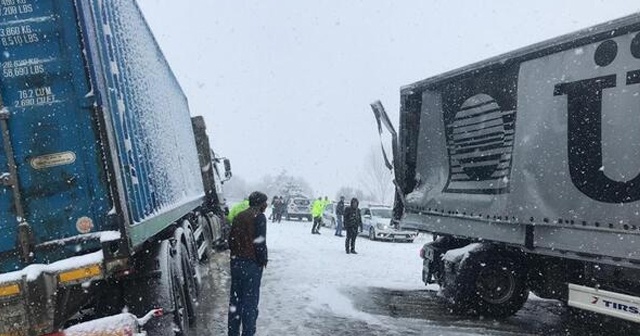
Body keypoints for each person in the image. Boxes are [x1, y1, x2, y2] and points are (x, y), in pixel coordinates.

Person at [228, 191, 269, 336]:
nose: (267, 205)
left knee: (236, 301)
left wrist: (236, 257)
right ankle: (248, 332)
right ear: (260, 204)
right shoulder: (259, 217)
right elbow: (260, 243)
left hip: (236, 263)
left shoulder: (239, 216)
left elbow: (230, 240)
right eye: (265, 202)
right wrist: (263, 259)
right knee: (250, 303)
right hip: (251, 265)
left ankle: (232, 332)